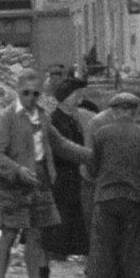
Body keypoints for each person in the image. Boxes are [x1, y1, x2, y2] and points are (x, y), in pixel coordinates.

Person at [0, 71, 63, 278]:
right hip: (14, 184)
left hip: (39, 179)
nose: (31, 97)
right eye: (26, 93)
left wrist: (93, 156)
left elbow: (59, 143)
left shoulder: (42, 117)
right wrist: (17, 171)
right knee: (9, 232)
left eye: (36, 93)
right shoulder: (7, 117)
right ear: (18, 90)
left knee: (36, 234)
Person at [87, 93, 140, 278]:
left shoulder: (101, 134)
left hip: (106, 197)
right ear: (134, 111)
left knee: (102, 244)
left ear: (114, 111)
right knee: (133, 246)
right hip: (134, 198)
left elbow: (92, 168)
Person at [45, 78, 96, 266]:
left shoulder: (72, 119)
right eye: (76, 95)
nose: (80, 99)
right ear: (65, 97)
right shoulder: (54, 120)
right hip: (61, 174)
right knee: (62, 214)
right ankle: (57, 252)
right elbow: (63, 148)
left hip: (72, 174)